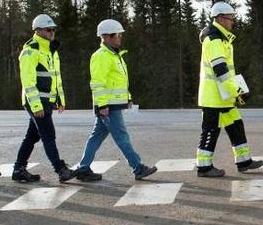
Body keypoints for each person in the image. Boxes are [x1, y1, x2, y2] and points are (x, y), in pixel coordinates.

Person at [73, 19, 157, 182]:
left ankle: (83, 168)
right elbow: (98, 83)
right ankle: (137, 167)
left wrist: (128, 97)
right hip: (108, 106)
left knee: (96, 137)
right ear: (106, 37)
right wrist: (102, 104)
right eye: (117, 35)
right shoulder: (101, 56)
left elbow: (119, 80)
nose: (120, 38)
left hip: (112, 104)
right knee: (122, 137)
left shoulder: (114, 55)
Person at [12, 14, 85, 183]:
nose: (52, 32)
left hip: (47, 101)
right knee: (48, 134)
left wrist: (60, 99)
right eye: (48, 30)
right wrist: (36, 105)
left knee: (32, 136)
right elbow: (28, 81)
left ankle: (18, 169)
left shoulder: (51, 50)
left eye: (53, 29)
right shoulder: (31, 50)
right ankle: (60, 170)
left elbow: (56, 77)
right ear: (37, 31)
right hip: (36, 101)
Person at [195, 2, 263, 177]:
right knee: (211, 131)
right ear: (219, 19)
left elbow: (227, 72)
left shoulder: (222, 38)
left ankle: (244, 161)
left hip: (223, 96)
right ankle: (203, 167)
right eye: (230, 18)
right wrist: (238, 91)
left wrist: (236, 92)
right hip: (213, 98)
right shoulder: (214, 39)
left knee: (236, 126)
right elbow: (221, 71)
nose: (233, 21)